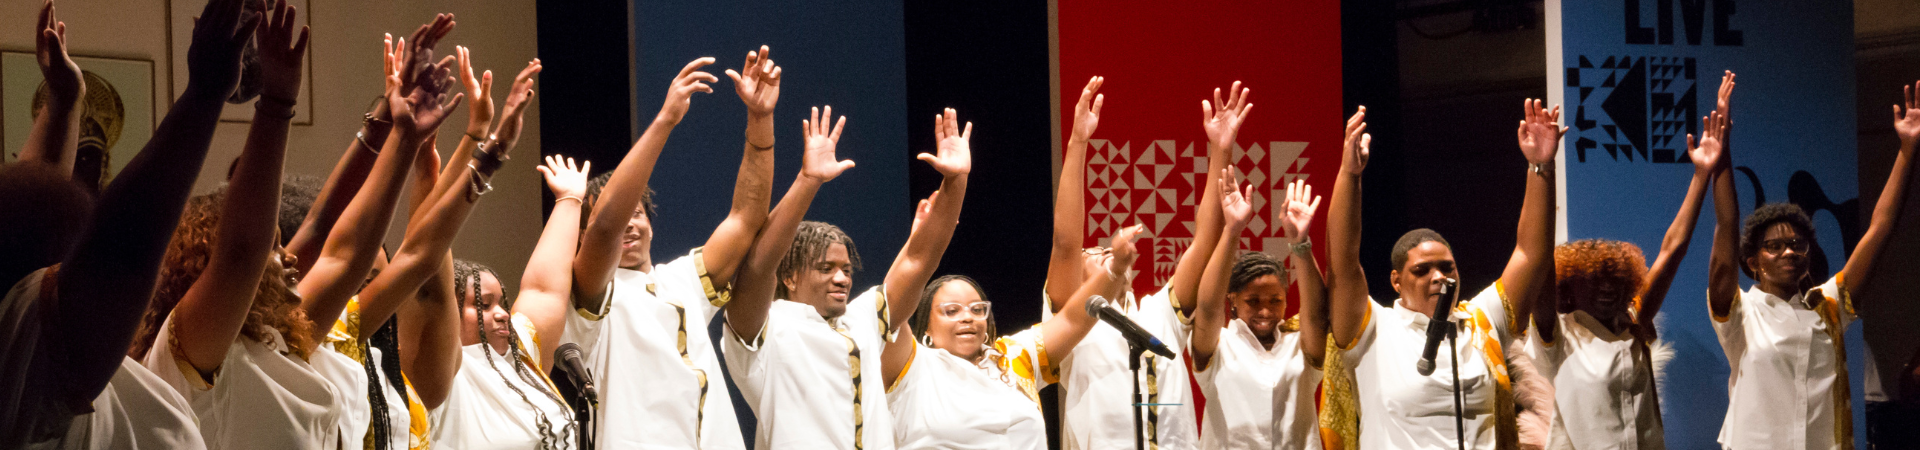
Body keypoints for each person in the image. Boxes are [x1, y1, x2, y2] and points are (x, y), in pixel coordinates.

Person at [0, 0, 251, 447]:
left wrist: (64, 101)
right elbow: (124, 248)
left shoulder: (23, 340)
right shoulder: (31, 367)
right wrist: (204, 94)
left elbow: (32, 219)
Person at [549, 48, 779, 449]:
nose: (629, 223)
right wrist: (665, 120)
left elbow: (745, 218)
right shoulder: (587, 296)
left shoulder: (682, 281)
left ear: (651, 223)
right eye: (624, 214)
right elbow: (605, 227)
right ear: (581, 238)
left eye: (637, 213)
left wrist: (760, 121)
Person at [723, 106, 970, 450]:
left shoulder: (861, 319)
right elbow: (759, 265)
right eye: (826, 268)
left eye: (847, 270)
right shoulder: (766, 328)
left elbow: (918, 260)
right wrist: (808, 181)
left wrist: (956, 182)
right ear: (790, 277)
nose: (841, 278)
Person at [1319, 100, 1560, 449]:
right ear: (1396, 281)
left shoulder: (1481, 324)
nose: (1438, 276)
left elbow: (1531, 256)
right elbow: (1342, 263)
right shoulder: (1373, 329)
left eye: (1447, 268)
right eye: (1421, 270)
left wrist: (1541, 168)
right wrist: (1350, 175)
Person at [1705, 70, 1920, 449]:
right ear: (1753, 261)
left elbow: (1880, 229)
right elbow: (1726, 224)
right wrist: (1721, 156)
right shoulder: (1740, 313)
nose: (1789, 250)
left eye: (1798, 243)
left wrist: (1906, 152)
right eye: (1774, 246)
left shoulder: (1829, 308)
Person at [1519, 71, 1728, 450]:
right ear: (1570, 289)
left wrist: (1701, 175)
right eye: (1594, 281)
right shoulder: (1558, 335)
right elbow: (1538, 261)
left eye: (1616, 282)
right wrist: (1542, 168)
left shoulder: (1634, 322)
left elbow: (1672, 250)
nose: (1607, 289)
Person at [1042, 80, 1247, 450]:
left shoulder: (1158, 314)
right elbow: (1066, 244)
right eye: (1096, 252)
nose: (1103, 251)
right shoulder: (1069, 326)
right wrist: (1077, 143)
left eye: (1109, 251)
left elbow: (1204, 240)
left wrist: (1221, 149)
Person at [1189, 176, 1329, 450]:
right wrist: (1232, 231)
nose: (1265, 311)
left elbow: (1316, 314)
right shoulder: (1219, 344)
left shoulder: (1299, 343)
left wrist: (1299, 243)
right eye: (1253, 301)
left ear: (1287, 302)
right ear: (1233, 300)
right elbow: (1206, 308)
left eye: (1275, 300)